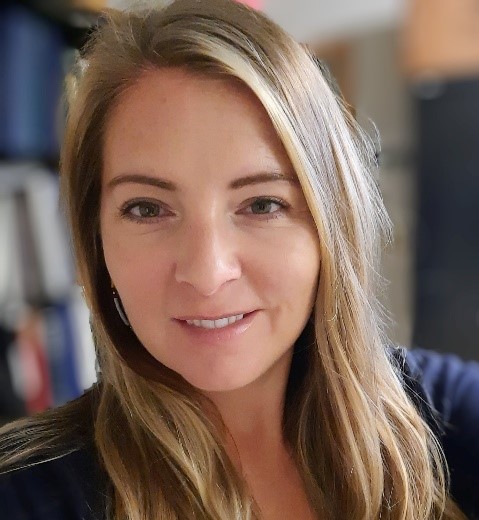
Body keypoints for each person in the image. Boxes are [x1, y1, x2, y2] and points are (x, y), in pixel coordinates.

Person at [0, 0, 478, 518]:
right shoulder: (26, 492)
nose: (207, 273)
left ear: (330, 224)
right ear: (94, 239)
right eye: (147, 208)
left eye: (262, 204)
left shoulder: (442, 418)